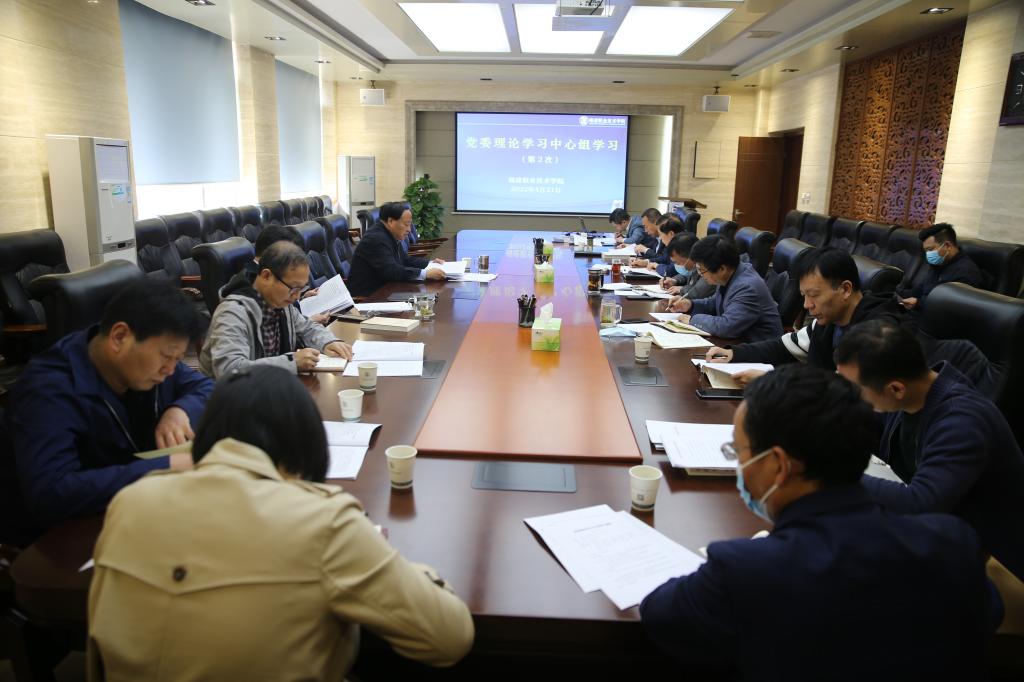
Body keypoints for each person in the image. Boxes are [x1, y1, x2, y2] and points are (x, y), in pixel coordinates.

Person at [87, 366, 474, 680]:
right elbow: (449, 638)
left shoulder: (129, 503)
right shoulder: (323, 521)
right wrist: (407, 568)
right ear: (305, 441)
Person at [640, 364, 1001, 679]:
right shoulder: (953, 542)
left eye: (737, 451)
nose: (739, 465)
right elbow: (989, 612)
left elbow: (659, 613)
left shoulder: (744, 569)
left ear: (779, 466)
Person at [0, 280, 213, 547]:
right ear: (119, 337)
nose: (170, 370)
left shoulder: (150, 360)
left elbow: (206, 387)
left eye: (177, 360)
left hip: (129, 509)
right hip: (61, 539)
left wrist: (179, 410)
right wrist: (165, 467)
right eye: (166, 357)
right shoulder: (48, 389)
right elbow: (51, 494)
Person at [834, 320, 1024, 588]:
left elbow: (921, 501)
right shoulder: (913, 393)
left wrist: (831, 476)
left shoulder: (962, 422)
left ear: (895, 389)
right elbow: (866, 426)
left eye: (855, 390)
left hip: (992, 557)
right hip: (944, 526)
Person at [704, 247, 903, 384]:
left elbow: (843, 389)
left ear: (845, 289)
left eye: (814, 295)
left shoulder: (878, 334)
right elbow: (784, 347)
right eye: (803, 296)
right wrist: (735, 353)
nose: (807, 305)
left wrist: (773, 379)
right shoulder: (828, 320)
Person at [199, 241, 353, 378]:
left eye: (301, 289)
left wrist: (328, 342)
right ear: (266, 276)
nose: (296, 297)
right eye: (293, 288)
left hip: (271, 388)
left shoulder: (280, 302)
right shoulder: (233, 312)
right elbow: (229, 370)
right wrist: (292, 362)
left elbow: (307, 328)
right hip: (233, 397)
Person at [665, 235, 783, 342]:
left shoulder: (747, 287)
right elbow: (714, 302)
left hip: (757, 349)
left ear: (722, 269)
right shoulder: (732, 273)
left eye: (702, 270)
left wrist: (692, 320)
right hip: (738, 341)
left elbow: (727, 327)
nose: (700, 274)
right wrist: (690, 305)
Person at [347, 202, 446, 296]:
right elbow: (391, 271)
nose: (409, 230)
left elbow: (404, 259)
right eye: (406, 224)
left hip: (386, 288)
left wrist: (429, 263)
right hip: (370, 296)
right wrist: (425, 274)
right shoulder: (376, 239)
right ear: (390, 221)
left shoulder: (388, 233)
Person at [897, 223, 985, 312]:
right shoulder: (939, 263)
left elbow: (952, 308)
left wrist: (918, 304)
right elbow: (921, 289)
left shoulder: (966, 273)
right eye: (926, 251)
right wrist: (899, 293)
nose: (928, 254)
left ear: (947, 246)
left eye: (930, 249)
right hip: (917, 313)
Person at [659, 232, 715, 300]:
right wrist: (674, 280)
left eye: (677, 263)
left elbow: (698, 292)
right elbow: (687, 275)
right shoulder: (694, 266)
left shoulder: (708, 267)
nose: (677, 265)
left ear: (690, 257)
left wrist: (682, 289)